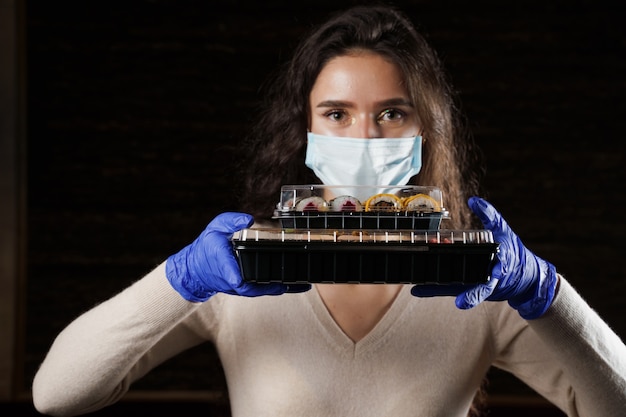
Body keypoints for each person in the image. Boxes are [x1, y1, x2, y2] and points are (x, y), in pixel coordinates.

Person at [32, 4, 626, 417]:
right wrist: (178, 279)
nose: (365, 138)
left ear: (426, 130)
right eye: (337, 114)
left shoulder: (474, 282)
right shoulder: (241, 270)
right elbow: (57, 394)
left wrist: (548, 293)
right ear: (305, 130)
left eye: (392, 112)